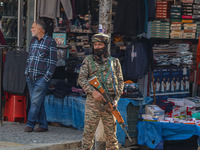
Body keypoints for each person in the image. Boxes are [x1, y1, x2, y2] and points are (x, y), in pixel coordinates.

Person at [78, 33, 124, 150]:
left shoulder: (114, 62)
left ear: (106, 45)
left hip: (109, 103)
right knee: (88, 134)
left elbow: (120, 82)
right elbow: (81, 79)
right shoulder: (88, 60)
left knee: (112, 136)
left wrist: (116, 100)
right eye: (95, 44)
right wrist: (92, 92)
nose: (97, 47)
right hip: (93, 102)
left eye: (100, 44)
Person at [24, 19, 57, 132]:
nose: (31, 29)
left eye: (33, 27)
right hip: (30, 77)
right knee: (38, 101)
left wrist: (46, 78)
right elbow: (29, 58)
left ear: (40, 29)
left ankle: (30, 124)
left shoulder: (50, 41)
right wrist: (26, 72)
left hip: (41, 78)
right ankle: (43, 125)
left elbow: (53, 62)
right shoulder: (33, 40)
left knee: (35, 102)